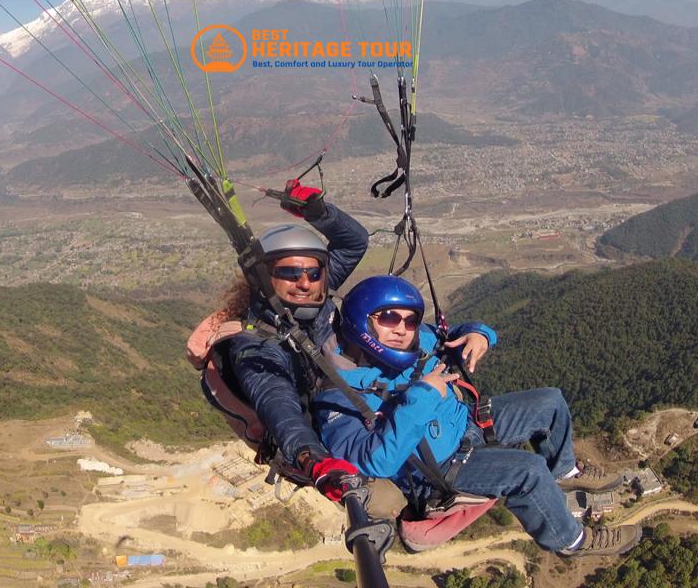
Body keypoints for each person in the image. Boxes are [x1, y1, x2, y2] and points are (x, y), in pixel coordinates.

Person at [314, 275, 643, 557]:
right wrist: (422, 396)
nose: (402, 329)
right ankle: (572, 540)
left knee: (550, 402)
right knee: (528, 471)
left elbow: (450, 334)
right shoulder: (338, 395)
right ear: (361, 320)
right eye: (387, 317)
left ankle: (564, 472)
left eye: (409, 319)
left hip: (466, 422)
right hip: (440, 467)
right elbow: (374, 462)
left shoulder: (418, 340)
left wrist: (479, 333)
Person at [221, 182, 371, 498]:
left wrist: (317, 213)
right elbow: (276, 401)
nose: (304, 282)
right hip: (326, 440)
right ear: (263, 278)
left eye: (314, 273)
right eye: (290, 273)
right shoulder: (256, 345)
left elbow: (354, 242)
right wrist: (311, 458)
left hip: (359, 404)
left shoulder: (313, 296)